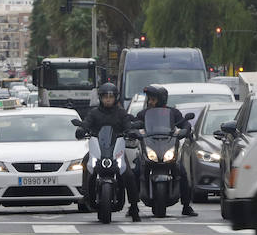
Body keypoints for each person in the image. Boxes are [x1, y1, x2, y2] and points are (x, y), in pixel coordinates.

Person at [134, 85, 197, 217]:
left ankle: (186, 205)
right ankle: (133, 206)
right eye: (149, 99)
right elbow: (134, 124)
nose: (149, 102)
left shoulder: (173, 113)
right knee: (137, 171)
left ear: (161, 99)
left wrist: (186, 129)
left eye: (152, 99)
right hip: (150, 148)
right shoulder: (143, 114)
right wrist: (133, 130)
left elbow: (183, 123)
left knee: (182, 172)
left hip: (168, 147)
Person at [81, 82, 141, 221]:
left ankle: (134, 206)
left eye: (111, 96)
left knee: (129, 174)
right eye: (105, 97)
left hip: (116, 150)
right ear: (100, 98)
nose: (108, 99)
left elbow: (127, 124)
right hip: (98, 149)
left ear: (116, 98)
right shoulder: (94, 113)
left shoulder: (121, 113)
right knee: (85, 163)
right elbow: (87, 123)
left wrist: (131, 131)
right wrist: (82, 129)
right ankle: (85, 194)